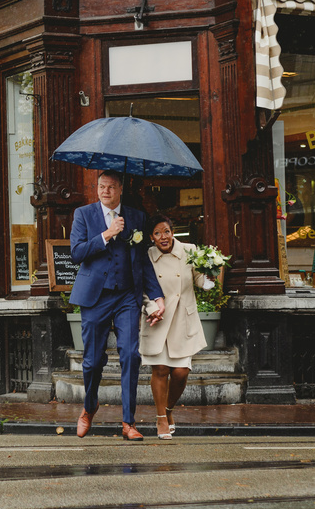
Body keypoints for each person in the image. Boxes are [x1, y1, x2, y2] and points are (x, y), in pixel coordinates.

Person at [69, 170, 165, 441]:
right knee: (92, 361)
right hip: (95, 298)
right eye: (101, 186)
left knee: (130, 355)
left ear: (120, 189)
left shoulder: (136, 217)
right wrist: (107, 234)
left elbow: (144, 261)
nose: (105, 191)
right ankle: (89, 407)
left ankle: (128, 422)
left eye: (111, 187)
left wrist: (157, 296)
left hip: (126, 297)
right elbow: (76, 253)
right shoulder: (84, 214)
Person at [139, 214, 210, 440]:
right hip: (158, 317)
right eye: (158, 233)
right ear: (151, 237)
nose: (163, 237)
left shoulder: (189, 250)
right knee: (160, 370)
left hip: (182, 317)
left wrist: (211, 274)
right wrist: (150, 308)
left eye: (167, 231)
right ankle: (161, 418)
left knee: (180, 373)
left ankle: (169, 409)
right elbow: (141, 287)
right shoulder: (147, 255)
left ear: (173, 232)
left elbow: (200, 280)